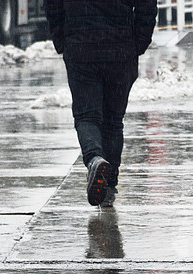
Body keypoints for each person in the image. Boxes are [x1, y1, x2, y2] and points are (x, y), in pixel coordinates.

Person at [44, 0, 158, 207]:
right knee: (113, 121)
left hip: (81, 47)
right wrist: (138, 43)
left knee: (87, 116)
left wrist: (62, 40)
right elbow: (147, 6)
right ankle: (109, 187)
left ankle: (95, 158)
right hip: (121, 48)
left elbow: (52, 6)